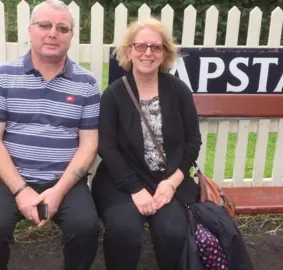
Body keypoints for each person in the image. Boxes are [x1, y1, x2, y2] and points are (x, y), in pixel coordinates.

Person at [0, 1, 101, 269]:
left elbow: (89, 145)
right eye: (45, 25)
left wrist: (57, 192)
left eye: (62, 28)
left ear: (71, 36)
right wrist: (21, 191)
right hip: (10, 178)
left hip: (64, 178)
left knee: (86, 229)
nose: (53, 33)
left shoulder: (86, 83)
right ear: (31, 30)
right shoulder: (3, 76)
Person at [91, 18, 203, 270]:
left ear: (165, 53)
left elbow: (193, 140)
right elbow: (107, 147)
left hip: (167, 179)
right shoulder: (114, 94)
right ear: (129, 51)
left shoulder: (179, 91)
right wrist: (135, 189)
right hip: (121, 181)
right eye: (140, 46)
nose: (148, 53)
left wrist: (173, 182)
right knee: (124, 232)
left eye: (156, 47)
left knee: (173, 232)